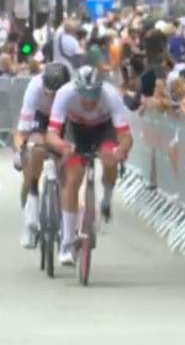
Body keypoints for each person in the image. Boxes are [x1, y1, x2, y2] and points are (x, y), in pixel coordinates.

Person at [44, 65, 133, 265]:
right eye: (85, 94)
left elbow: (126, 136)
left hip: (104, 129)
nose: (90, 100)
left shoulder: (111, 96)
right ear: (77, 89)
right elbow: (51, 135)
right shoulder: (65, 94)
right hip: (76, 130)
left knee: (109, 157)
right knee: (74, 177)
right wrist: (63, 145)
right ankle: (66, 243)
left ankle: (106, 202)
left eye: (94, 94)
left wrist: (121, 150)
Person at [15, 63, 71, 248]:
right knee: (34, 154)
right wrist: (20, 151)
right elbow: (21, 132)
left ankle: (67, 219)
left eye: (57, 93)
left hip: (64, 117)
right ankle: (29, 221)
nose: (53, 97)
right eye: (50, 93)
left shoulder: (71, 92)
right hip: (41, 117)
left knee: (68, 162)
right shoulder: (34, 88)